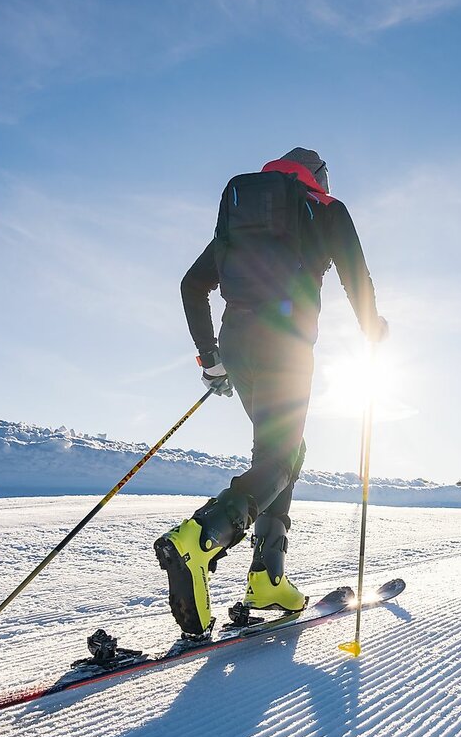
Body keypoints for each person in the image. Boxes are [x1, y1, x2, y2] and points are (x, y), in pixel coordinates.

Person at [155, 148, 387, 636]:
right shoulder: (324, 210)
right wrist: (373, 327)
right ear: (318, 177)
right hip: (286, 345)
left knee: (280, 452)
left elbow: (192, 286)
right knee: (282, 459)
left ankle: (267, 575)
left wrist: (211, 359)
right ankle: (200, 538)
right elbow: (355, 276)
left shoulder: (242, 217)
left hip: (239, 347)